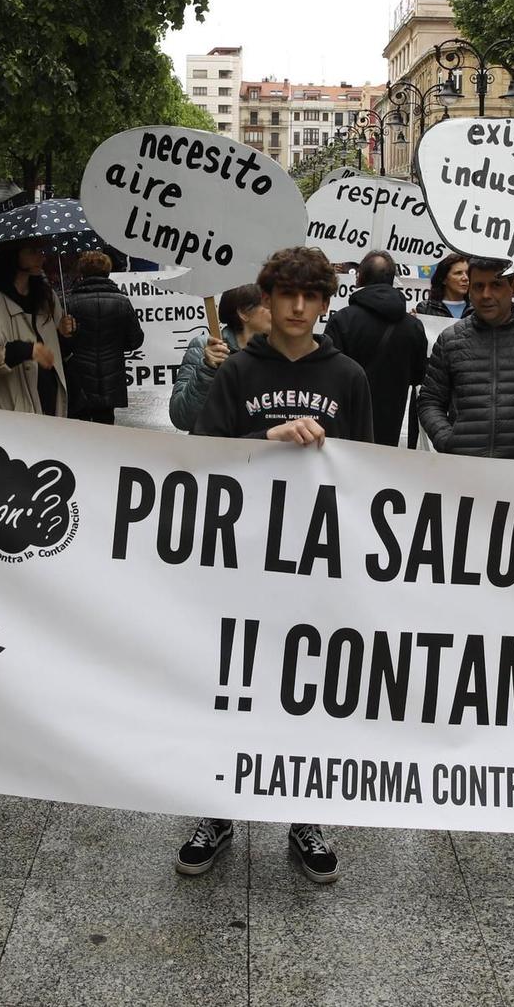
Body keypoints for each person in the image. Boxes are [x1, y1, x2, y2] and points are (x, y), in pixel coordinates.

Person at [180, 246, 372, 885]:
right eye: (285, 294)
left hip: (316, 560)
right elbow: (203, 457)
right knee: (231, 685)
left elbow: (372, 473)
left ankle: (305, 812)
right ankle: (216, 808)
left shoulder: (348, 375)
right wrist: (264, 441)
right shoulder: (238, 371)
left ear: (324, 302)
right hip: (241, 557)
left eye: (310, 296)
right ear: (266, 299)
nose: (296, 307)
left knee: (305, 689)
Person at [416, 258, 514, 459]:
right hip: (464, 467)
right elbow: (430, 401)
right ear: (469, 290)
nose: (486, 295)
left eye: (496, 285)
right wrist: (448, 440)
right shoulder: (451, 340)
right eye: (478, 286)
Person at [325, 250, 428, 446]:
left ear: (359, 277)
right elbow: (418, 376)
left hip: (346, 423)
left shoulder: (342, 320)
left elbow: (328, 375)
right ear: (392, 280)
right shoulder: (413, 326)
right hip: (391, 428)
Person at [0, 240, 68, 417]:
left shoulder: (46, 298)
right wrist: (22, 350)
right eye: (32, 251)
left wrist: (67, 334)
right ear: (13, 255)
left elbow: (58, 353)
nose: (41, 257)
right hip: (14, 414)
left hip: (51, 408)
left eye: (41, 250)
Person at [168, 283, 268, 433]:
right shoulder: (204, 347)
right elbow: (182, 418)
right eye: (268, 304)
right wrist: (208, 370)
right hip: (215, 450)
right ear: (244, 312)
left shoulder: (282, 351)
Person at [60, 251, 143, 425]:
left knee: (78, 430)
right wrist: (115, 346)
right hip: (111, 378)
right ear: (108, 271)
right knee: (106, 428)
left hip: (79, 378)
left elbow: (63, 344)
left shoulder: (69, 303)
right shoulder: (122, 302)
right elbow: (136, 340)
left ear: (82, 273)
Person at [417, 253, 470, 318]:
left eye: (467, 273)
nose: (466, 278)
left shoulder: (477, 308)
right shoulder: (425, 309)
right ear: (444, 279)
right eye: (458, 273)